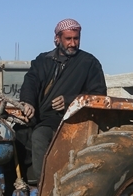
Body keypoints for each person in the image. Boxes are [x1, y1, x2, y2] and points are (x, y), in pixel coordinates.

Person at [19, 18, 106, 184]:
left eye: (76, 38)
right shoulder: (42, 60)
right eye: (68, 39)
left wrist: (70, 101)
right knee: (15, 135)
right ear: (57, 39)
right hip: (40, 118)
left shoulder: (89, 63)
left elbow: (99, 95)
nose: (73, 43)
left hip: (69, 120)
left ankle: (43, 192)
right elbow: (30, 82)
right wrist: (27, 102)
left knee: (39, 137)